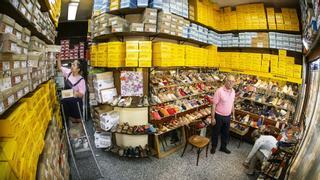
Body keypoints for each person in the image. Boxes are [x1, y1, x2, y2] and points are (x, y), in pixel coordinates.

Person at [210, 75, 236, 154]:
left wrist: (233, 114)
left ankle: (223, 147)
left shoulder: (233, 91)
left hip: (227, 116)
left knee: (225, 133)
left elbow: (232, 103)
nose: (231, 83)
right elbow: (214, 105)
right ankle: (214, 146)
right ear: (225, 81)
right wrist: (212, 118)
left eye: (232, 81)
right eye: (229, 81)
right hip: (218, 116)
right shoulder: (219, 91)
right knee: (216, 132)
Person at [57, 55, 86, 122]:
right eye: (72, 64)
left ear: (78, 69)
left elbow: (82, 94)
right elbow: (59, 68)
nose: (72, 65)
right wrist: (59, 58)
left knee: (77, 120)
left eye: (74, 65)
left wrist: (76, 93)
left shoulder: (81, 80)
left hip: (75, 103)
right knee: (68, 118)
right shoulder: (69, 72)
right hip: (66, 102)